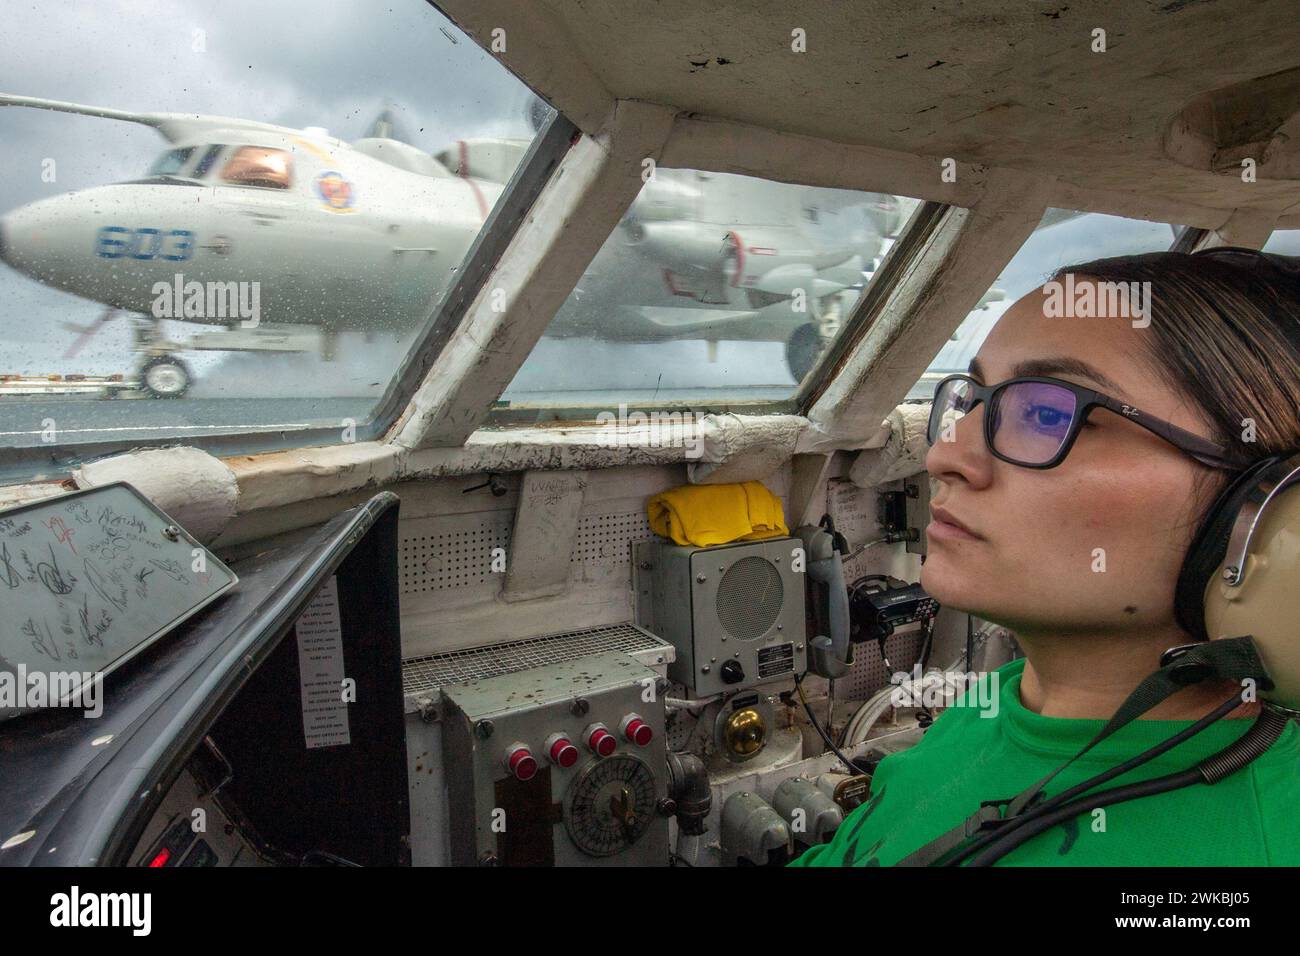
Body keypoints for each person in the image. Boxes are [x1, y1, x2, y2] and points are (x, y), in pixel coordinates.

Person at [791, 248, 1300, 866]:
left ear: (1271, 508)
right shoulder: (1005, 701)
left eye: (1048, 412)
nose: (945, 456)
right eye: (974, 399)